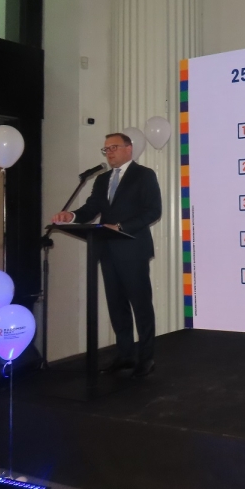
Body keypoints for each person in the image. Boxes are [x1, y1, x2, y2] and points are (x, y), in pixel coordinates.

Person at [52, 133, 162, 378]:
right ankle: (125, 356)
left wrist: (121, 227)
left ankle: (146, 358)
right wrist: (71, 216)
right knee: (116, 306)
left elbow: (153, 210)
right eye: (106, 149)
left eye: (114, 147)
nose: (109, 152)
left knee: (141, 305)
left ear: (128, 148)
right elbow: (91, 208)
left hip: (133, 249)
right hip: (107, 250)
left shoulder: (144, 175)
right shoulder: (102, 180)